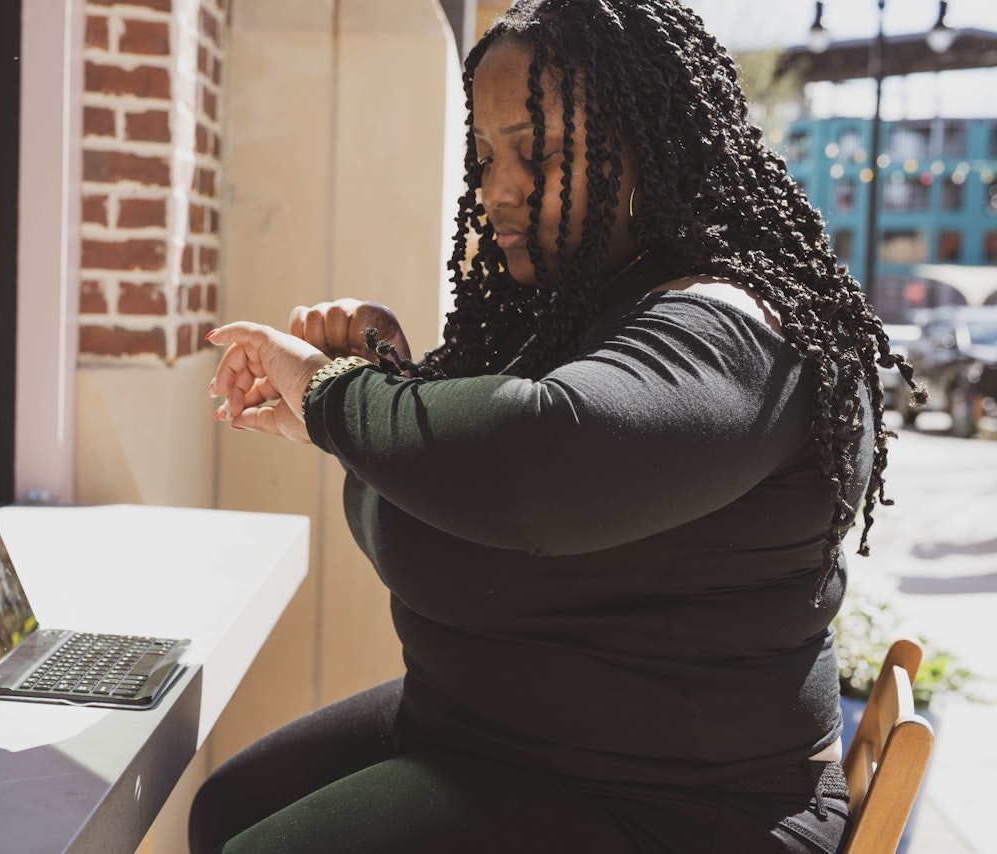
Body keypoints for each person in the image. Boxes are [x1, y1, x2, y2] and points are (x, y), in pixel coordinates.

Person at [191, 1, 922, 851]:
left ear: (650, 146)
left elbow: (528, 470)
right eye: (485, 155)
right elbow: (461, 479)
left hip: (667, 807)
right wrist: (386, 386)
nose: (497, 188)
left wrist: (331, 393)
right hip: (497, 734)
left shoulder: (735, 334)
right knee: (225, 809)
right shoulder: (573, 310)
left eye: (536, 153)